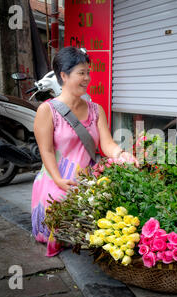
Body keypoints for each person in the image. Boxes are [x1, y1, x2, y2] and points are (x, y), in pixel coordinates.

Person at [31, 46, 137, 256]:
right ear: (63, 75)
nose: (87, 78)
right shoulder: (47, 110)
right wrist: (60, 181)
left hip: (87, 179)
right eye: (81, 73)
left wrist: (121, 154)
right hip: (57, 179)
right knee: (65, 212)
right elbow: (47, 151)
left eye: (88, 72)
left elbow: (106, 144)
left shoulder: (96, 110)